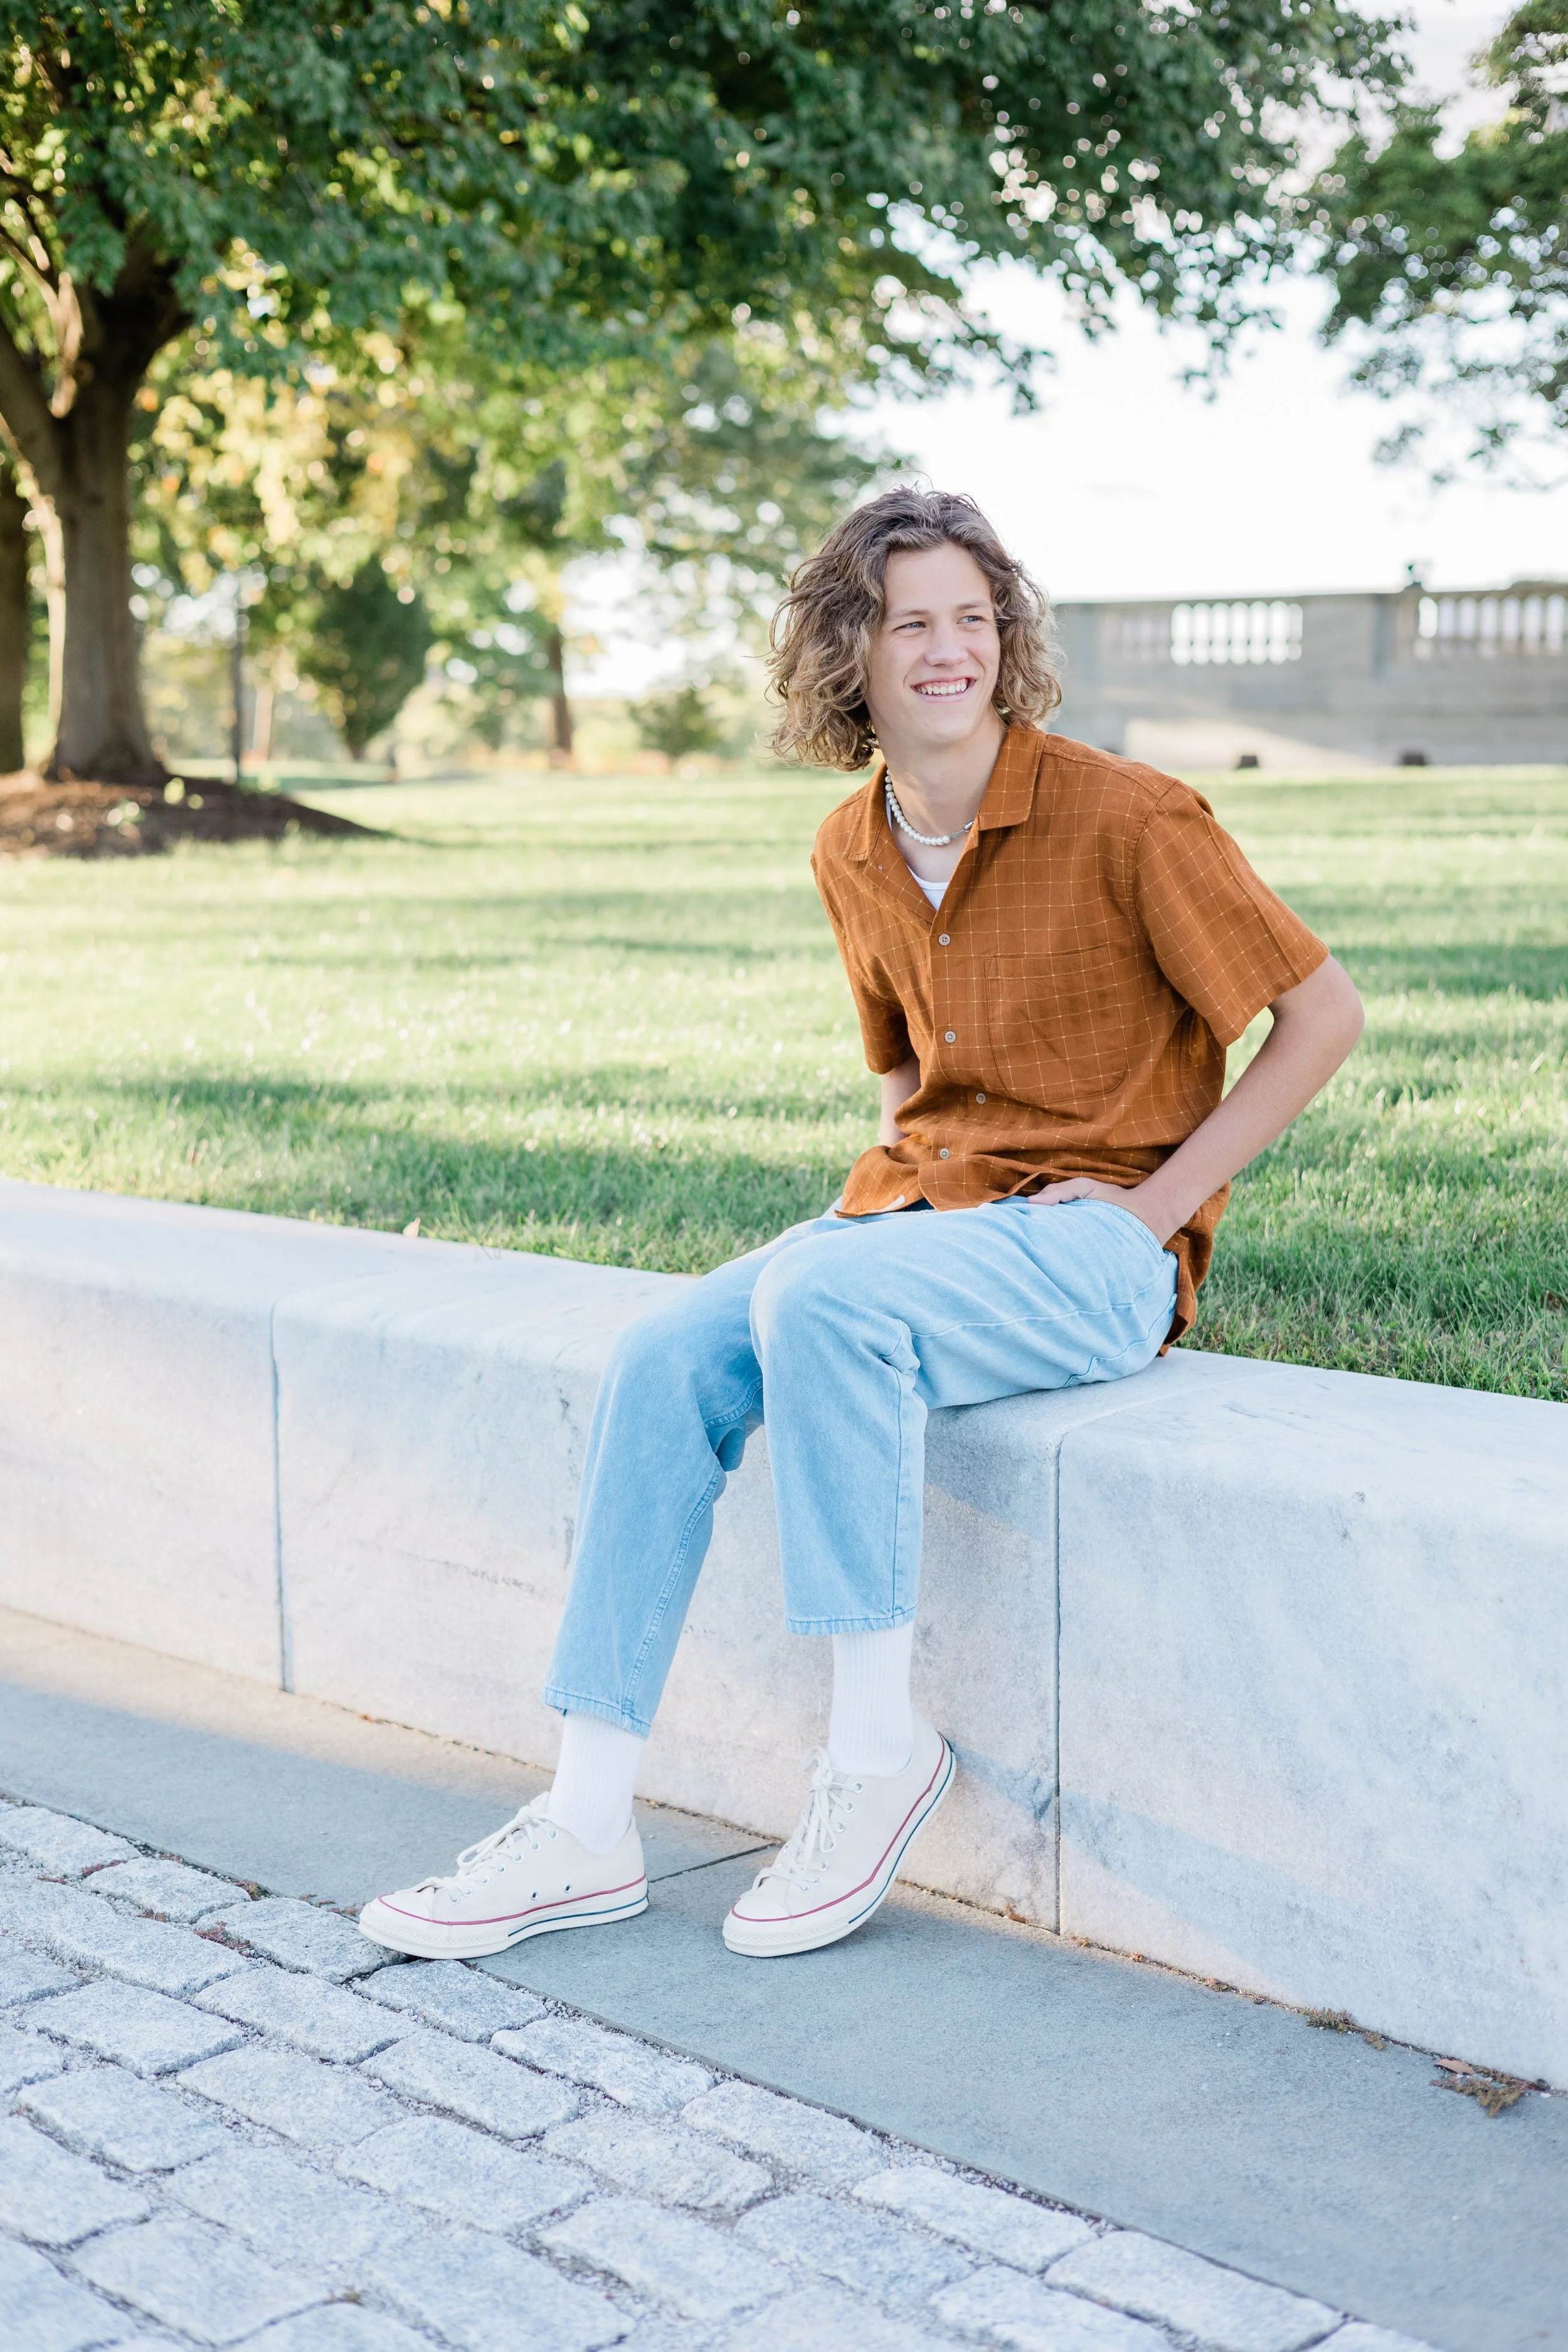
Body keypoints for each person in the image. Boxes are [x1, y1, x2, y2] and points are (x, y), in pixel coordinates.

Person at [359, 489, 1364, 1965]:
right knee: (663, 1356)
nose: (949, 649)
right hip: (918, 1217)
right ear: (851, 654)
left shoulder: (1129, 816)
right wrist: (895, 1185)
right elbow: (898, 1065)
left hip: (1092, 1251)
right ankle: (581, 1820)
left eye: (974, 618)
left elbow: (1319, 1016)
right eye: (912, 624)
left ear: (1005, 640)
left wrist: (1154, 1211)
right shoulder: (849, 848)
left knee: (821, 1307)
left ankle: (873, 1754)